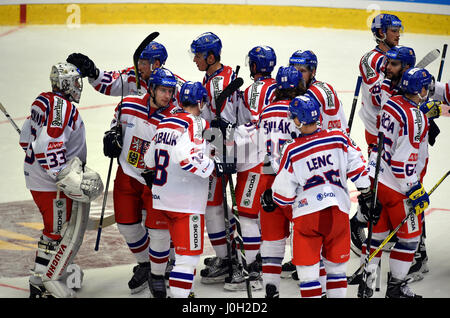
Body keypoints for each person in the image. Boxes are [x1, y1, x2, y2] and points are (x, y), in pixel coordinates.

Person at [265, 95, 374, 298]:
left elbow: (282, 195)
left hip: (308, 218)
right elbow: (360, 169)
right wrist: (367, 195)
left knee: (308, 276)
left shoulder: (291, 149)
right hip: (338, 213)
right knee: (337, 272)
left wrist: (278, 202)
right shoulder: (339, 137)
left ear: (298, 120)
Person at [142, 81, 236, 298]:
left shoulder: (165, 122)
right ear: (201, 102)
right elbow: (186, 158)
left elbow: (148, 161)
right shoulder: (195, 122)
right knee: (187, 260)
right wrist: (215, 166)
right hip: (186, 205)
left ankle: (172, 287)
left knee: (166, 247)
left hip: (161, 199)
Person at [20, 62, 103, 298]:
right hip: (50, 183)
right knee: (61, 230)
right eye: (75, 82)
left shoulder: (43, 100)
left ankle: (48, 272)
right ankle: (42, 283)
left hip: (38, 176)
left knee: (54, 229)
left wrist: (40, 160)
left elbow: (26, 139)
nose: (79, 86)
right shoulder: (62, 107)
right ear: (66, 84)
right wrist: (63, 176)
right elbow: (49, 145)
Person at [357, 67, 432, 298]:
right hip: (398, 188)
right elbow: (403, 162)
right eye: (426, 87)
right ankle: (396, 287)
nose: (428, 91)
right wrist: (415, 189)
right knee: (410, 238)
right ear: (418, 89)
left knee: (377, 235)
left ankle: (366, 283)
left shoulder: (392, 103)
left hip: (378, 178)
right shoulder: (416, 118)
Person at [102, 67, 178, 294]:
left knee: (158, 231)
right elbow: (115, 127)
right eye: (163, 90)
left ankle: (159, 270)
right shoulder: (128, 105)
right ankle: (146, 264)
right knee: (126, 226)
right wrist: (111, 138)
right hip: (127, 173)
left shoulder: (175, 116)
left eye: (171, 91)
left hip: (155, 180)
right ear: (152, 89)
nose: (167, 95)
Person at [190, 31, 251, 285]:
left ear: (211, 56)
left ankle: (228, 259)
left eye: (199, 55)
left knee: (212, 206)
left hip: (222, 150)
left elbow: (223, 125)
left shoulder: (218, 83)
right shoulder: (217, 77)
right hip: (226, 147)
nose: (195, 59)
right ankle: (229, 252)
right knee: (216, 205)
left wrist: (219, 152)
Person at [223, 45, 277, 291]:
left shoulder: (253, 90)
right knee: (264, 215)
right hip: (274, 161)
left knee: (246, 215)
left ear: (254, 66)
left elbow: (255, 125)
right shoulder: (279, 86)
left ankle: (254, 272)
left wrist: (228, 139)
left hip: (256, 160)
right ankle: (266, 263)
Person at [350, 13, 403, 262]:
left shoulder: (397, 56)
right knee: (378, 184)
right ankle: (358, 221)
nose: (398, 33)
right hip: (377, 129)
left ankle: (389, 228)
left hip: (395, 129)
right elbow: (379, 94)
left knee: (394, 183)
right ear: (381, 32)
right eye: (394, 29)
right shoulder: (371, 60)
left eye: (399, 29)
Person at [254, 65, 306, 297]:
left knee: (272, 242)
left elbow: (257, 148)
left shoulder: (265, 111)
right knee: (308, 236)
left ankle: (270, 289)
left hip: (269, 182)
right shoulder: (302, 111)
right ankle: (313, 286)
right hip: (298, 184)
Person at [66, 41, 185, 105]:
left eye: (143, 63)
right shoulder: (134, 75)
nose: (138, 67)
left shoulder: (174, 85)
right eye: (139, 62)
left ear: (156, 64)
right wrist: (94, 72)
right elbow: (112, 83)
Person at [289, 50, 349, 133]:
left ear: (313, 72)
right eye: (294, 71)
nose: (297, 75)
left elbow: (310, 132)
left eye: (302, 71)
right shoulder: (327, 86)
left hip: (324, 143)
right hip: (340, 140)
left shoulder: (309, 96)